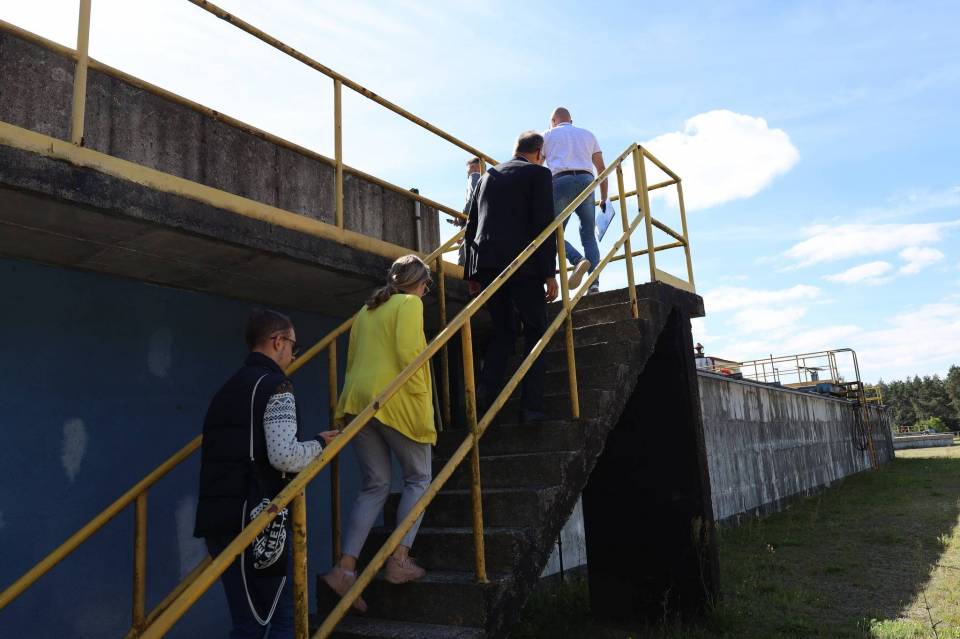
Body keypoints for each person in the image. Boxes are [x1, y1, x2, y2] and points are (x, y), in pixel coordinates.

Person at [194, 309, 339, 639]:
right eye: (293, 346)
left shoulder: (227, 389)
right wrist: (320, 444)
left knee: (250, 619)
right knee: (279, 619)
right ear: (277, 341)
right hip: (258, 519)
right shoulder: (277, 387)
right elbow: (284, 456)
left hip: (218, 517)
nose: (293, 355)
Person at [322, 255, 436, 611]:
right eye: (427, 285)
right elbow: (410, 355)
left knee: (375, 485)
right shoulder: (410, 304)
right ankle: (399, 559)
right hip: (394, 399)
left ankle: (345, 570)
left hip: (358, 402)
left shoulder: (365, 311)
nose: (426, 291)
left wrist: (342, 411)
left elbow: (352, 361)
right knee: (419, 478)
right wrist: (422, 403)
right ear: (419, 283)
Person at [464, 130, 559, 422]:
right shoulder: (539, 174)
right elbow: (544, 225)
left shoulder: (487, 176)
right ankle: (531, 408)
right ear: (539, 153)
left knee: (504, 330)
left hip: (487, 265)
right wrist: (549, 273)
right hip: (523, 265)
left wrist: (471, 272)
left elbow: (471, 225)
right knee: (536, 331)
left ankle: (485, 394)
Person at [542, 107, 608, 294]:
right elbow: (602, 169)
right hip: (587, 181)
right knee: (588, 235)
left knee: (550, 234)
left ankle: (577, 259)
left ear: (553, 121)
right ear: (571, 121)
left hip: (560, 181)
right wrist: (603, 197)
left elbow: (536, 167)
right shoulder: (588, 135)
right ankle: (593, 284)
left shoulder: (547, 135)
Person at [451, 157, 483, 266]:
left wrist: (460, 217)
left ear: (474, 167)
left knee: (464, 262)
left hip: (473, 225)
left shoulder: (475, 176)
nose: (468, 173)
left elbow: (472, 200)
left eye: (468, 170)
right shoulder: (488, 181)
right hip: (480, 226)